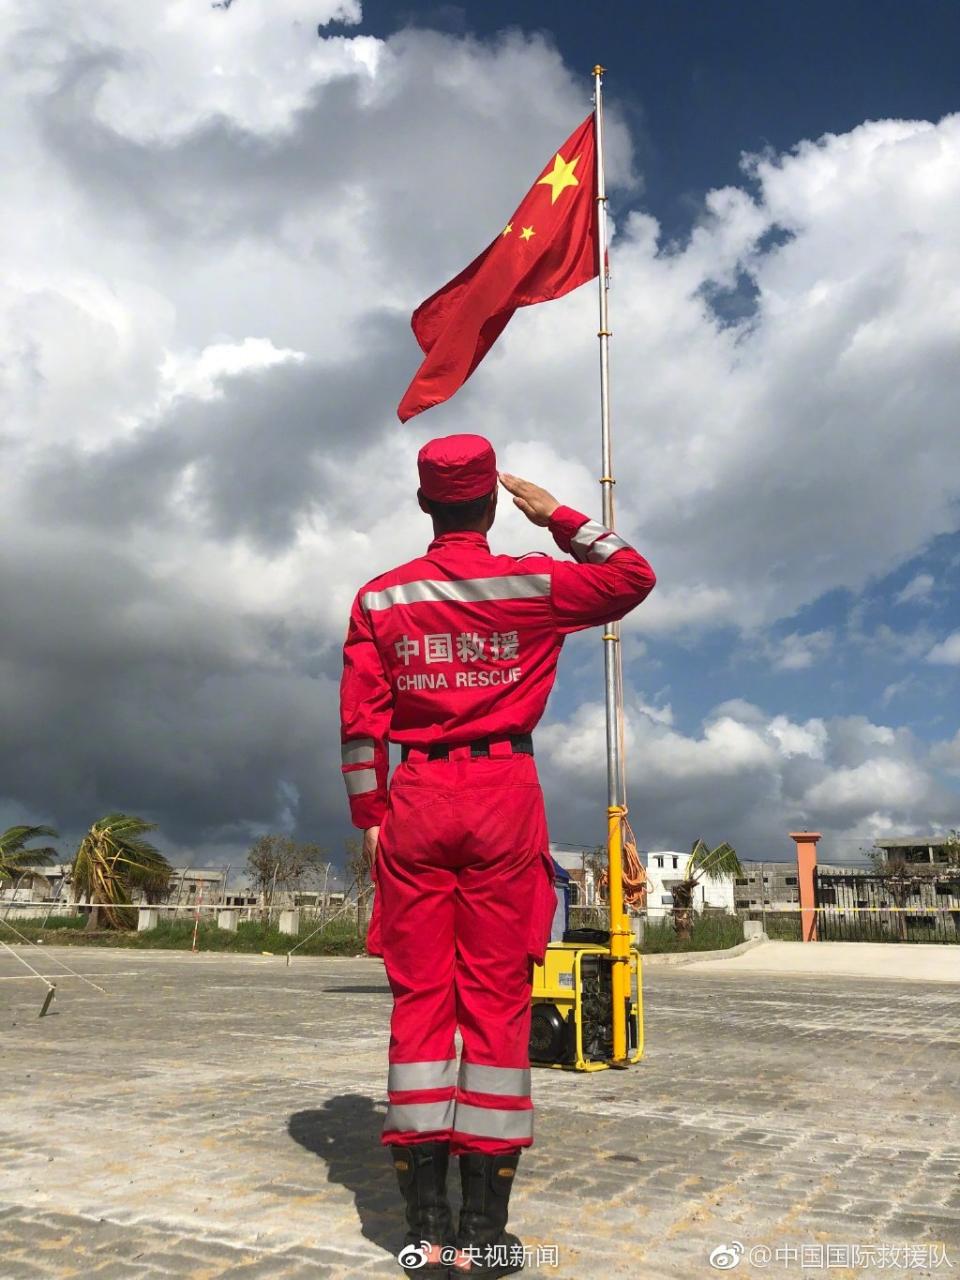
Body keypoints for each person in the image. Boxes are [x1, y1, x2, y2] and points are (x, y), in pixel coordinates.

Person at [339, 433, 655, 1278]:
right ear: (487, 502)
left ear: (423, 504)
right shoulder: (535, 581)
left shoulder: (380, 598)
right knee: (496, 999)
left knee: (419, 1002)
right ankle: (482, 1229)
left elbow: (360, 726)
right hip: (504, 795)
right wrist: (562, 518)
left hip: (414, 800)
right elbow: (633, 579)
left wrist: (373, 813)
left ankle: (422, 1226)